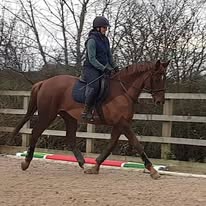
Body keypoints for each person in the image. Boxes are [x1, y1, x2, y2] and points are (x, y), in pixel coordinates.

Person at [81, 16, 119, 121]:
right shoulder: (91, 40)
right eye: (104, 28)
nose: (106, 30)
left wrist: (115, 67)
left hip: (103, 68)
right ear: (98, 28)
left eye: (106, 28)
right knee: (95, 86)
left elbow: (109, 56)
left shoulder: (105, 40)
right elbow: (92, 59)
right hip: (91, 68)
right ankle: (86, 110)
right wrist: (104, 68)